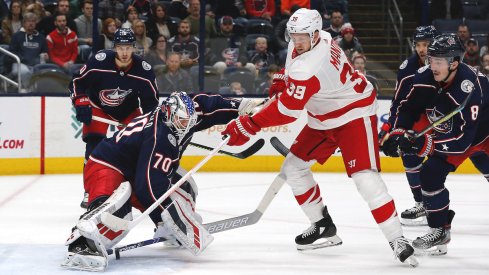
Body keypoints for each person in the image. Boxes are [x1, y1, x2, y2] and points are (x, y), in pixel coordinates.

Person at [221, 8, 418, 266]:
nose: (297, 41)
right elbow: (293, 68)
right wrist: (282, 79)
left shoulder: (310, 64)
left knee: (365, 178)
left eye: (303, 36)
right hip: (323, 115)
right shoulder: (318, 38)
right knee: (292, 168)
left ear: (314, 34)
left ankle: (397, 238)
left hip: (353, 114)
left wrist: (249, 125)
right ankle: (322, 224)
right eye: (293, 35)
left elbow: (288, 111)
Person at [60, 91, 265, 271]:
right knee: (118, 208)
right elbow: (149, 187)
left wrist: (242, 107)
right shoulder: (159, 136)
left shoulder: (185, 114)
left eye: (189, 121)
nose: (186, 127)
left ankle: (163, 226)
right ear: (169, 115)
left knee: (182, 184)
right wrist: (180, 222)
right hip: (106, 164)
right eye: (182, 122)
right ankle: (82, 243)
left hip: (136, 165)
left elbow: (208, 105)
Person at [381, 34, 489, 255]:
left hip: (483, 133)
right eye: (431, 60)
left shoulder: (468, 89)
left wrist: (424, 144)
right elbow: (407, 108)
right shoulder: (424, 76)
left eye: (439, 62)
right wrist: (398, 132)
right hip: (460, 132)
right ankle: (440, 230)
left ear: (455, 63)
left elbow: (462, 142)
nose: (433, 66)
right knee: (430, 173)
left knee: (482, 163)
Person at [68, 28, 160, 206]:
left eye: (128, 47)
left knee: (137, 148)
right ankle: (90, 192)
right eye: (120, 47)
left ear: (134, 47)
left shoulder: (144, 71)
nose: (124, 52)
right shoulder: (99, 62)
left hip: (129, 111)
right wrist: (80, 101)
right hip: (98, 107)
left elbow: (151, 104)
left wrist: (148, 123)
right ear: (114, 47)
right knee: (93, 148)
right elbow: (77, 82)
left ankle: (137, 191)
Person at [8, 12, 48, 92]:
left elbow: (44, 51)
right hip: (19, 64)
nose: (31, 23)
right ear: (24, 23)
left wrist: (45, 55)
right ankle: (27, 91)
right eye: (28, 21)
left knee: (45, 71)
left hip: (36, 64)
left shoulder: (41, 37)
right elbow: (12, 52)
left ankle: (39, 91)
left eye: (33, 21)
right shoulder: (17, 36)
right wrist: (23, 58)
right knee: (25, 72)